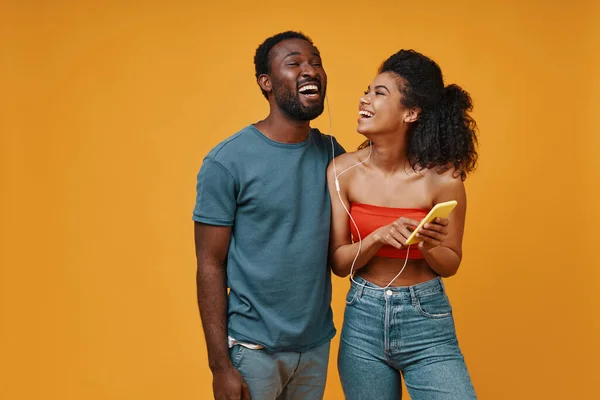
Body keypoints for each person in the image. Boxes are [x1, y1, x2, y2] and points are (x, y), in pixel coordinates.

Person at [193, 31, 344, 400]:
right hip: (252, 351)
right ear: (266, 82)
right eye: (294, 63)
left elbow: (384, 176)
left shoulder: (332, 155)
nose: (310, 70)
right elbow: (210, 264)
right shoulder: (227, 161)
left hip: (315, 347)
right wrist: (220, 367)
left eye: (316, 61)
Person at [328, 49, 479, 399]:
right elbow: (338, 262)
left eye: (379, 93)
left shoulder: (443, 179)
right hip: (362, 318)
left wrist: (428, 246)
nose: (364, 99)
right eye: (367, 91)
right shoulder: (341, 172)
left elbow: (451, 262)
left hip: (426, 318)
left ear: (411, 113)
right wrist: (377, 238)